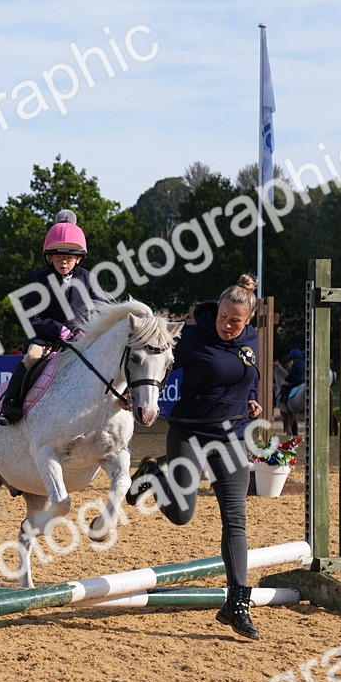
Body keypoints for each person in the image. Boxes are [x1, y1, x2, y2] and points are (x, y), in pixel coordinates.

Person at [129, 274, 264, 640]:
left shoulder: (251, 339)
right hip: (189, 430)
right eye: (222, 316)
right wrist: (138, 393)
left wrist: (252, 396)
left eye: (235, 321)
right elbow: (152, 359)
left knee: (235, 520)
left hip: (232, 436)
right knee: (182, 514)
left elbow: (251, 374)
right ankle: (153, 476)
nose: (227, 325)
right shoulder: (191, 335)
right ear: (217, 310)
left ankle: (237, 604)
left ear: (248, 320)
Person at [0, 209, 107, 425]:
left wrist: (89, 328)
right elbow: (31, 315)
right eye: (57, 257)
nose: (62, 262)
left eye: (68, 257)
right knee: (31, 357)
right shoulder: (40, 279)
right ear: (50, 258)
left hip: (81, 338)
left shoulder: (89, 278)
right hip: (46, 339)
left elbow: (103, 307)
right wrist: (59, 330)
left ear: (77, 259)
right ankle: (10, 405)